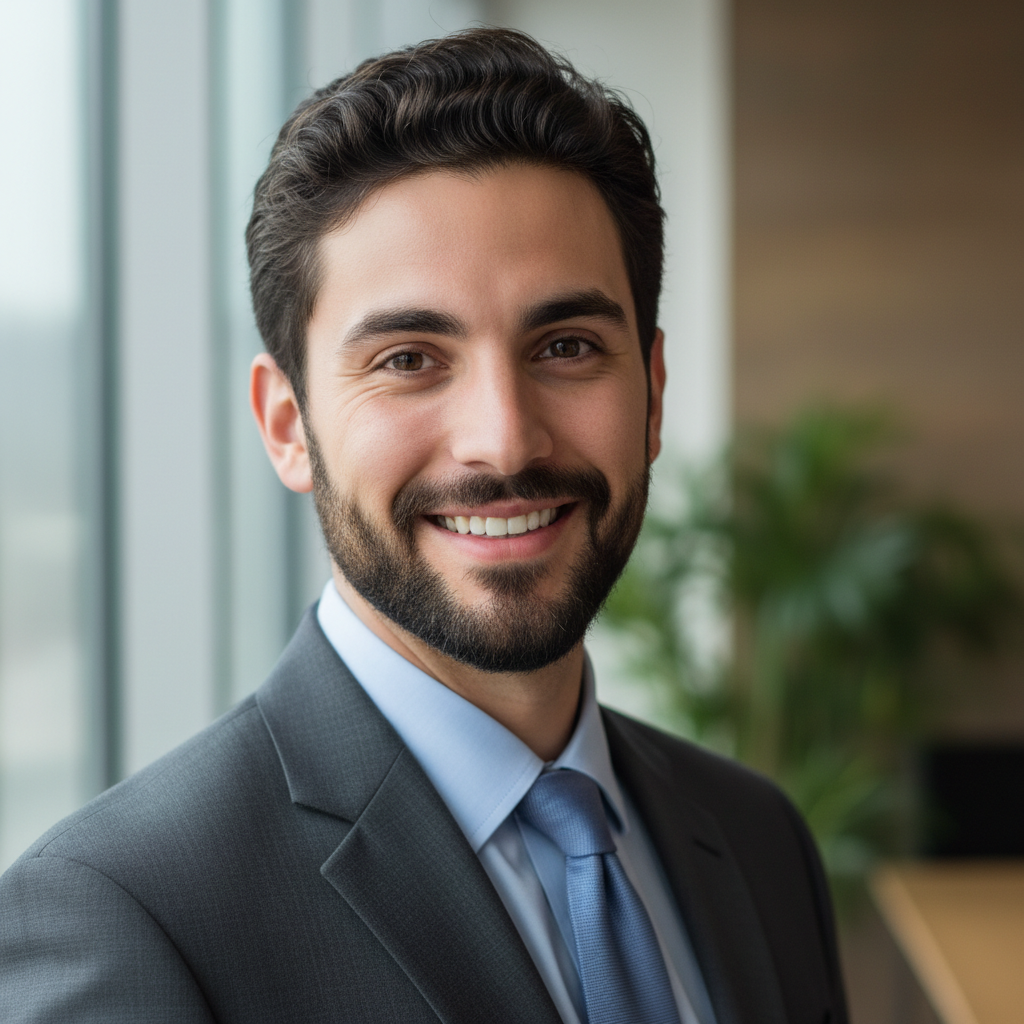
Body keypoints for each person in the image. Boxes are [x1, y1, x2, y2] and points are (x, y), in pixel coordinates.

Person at [0, 28, 847, 1024]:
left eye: (566, 345)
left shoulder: (756, 839)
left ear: (652, 393)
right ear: (289, 427)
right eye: (408, 359)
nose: (502, 439)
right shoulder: (124, 913)